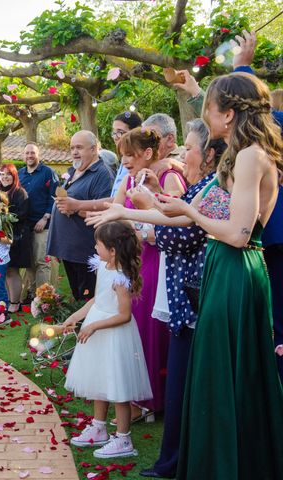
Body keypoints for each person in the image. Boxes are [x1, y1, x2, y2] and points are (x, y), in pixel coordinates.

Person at [148, 72, 283, 479]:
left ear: (228, 113)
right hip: (229, 270)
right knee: (226, 378)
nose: (205, 114)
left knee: (225, 379)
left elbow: (239, 235)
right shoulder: (245, 153)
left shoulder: (250, 156)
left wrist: (189, 212)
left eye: (207, 106)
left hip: (235, 271)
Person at [87, 119, 227, 478]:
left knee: (185, 383)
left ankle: (175, 456)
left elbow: (181, 236)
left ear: (209, 155)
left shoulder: (209, 186)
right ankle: (173, 459)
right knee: (182, 383)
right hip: (182, 297)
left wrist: (142, 207)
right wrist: (135, 207)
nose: (181, 155)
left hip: (189, 295)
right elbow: (176, 217)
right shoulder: (202, 185)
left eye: (189, 149)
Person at [61, 221, 151, 459]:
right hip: (97, 328)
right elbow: (96, 301)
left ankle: (123, 439)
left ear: (112, 250)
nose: (94, 247)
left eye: (98, 244)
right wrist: (76, 316)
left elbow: (124, 315)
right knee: (98, 380)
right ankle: (99, 427)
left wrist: (93, 326)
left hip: (114, 334)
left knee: (117, 386)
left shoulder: (121, 277)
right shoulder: (103, 266)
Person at [114, 128, 185, 419]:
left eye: (130, 155)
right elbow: (116, 212)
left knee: (149, 330)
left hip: (157, 262)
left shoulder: (169, 177)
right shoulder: (131, 179)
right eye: (122, 156)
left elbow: (180, 225)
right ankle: (135, 397)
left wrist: (137, 225)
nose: (126, 161)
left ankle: (151, 401)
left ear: (146, 153)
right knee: (132, 327)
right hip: (134, 261)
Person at [50, 130, 114, 300]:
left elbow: (106, 211)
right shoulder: (74, 171)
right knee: (77, 296)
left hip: (86, 251)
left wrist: (76, 208)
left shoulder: (102, 174)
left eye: (79, 147)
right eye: (72, 148)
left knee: (88, 299)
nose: (74, 152)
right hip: (69, 249)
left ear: (93, 149)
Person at [18, 143, 58, 302]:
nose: (29, 156)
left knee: (42, 262)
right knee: (29, 262)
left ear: (38, 155)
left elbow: (54, 197)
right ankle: (33, 293)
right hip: (25, 226)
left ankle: (43, 298)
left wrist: (45, 217)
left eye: (32, 153)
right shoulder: (20, 174)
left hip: (43, 225)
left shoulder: (48, 172)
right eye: (27, 153)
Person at [0, 164, 30, 314]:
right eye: (2, 174)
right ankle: (8, 299)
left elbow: (21, 216)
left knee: (12, 270)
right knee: (4, 271)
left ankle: (15, 302)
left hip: (16, 238)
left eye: (8, 174)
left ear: (14, 176)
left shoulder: (20, 193)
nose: (5, 177)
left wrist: (3, 215)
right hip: (1, 239)